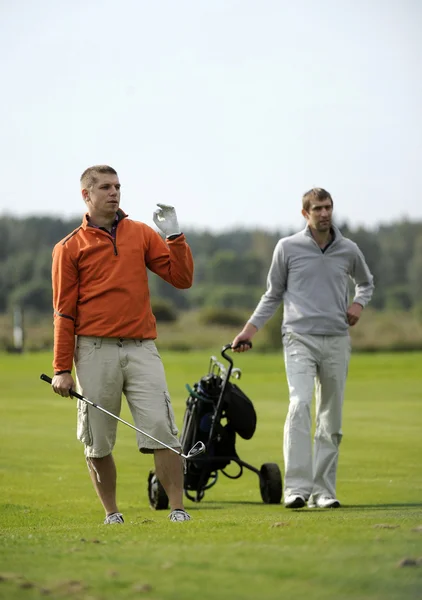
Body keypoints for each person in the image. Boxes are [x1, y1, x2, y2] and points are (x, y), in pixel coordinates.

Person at [50, 165, 194, 524]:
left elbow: (182, 278)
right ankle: (112, 514)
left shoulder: (141, 234)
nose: (114, 193)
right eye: (105, 187)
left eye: (117, 187)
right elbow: (64, 314)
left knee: (162, 428)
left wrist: (174, 236)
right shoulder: (69, 248)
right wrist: (61, 370)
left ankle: (178, 509)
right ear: (87, 195)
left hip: (141, 347)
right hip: (94, 350)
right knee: (97, 439)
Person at [231, 188, 374, 509]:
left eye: (328, 207)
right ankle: (296, 489)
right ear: (305, 213)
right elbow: (273, 294)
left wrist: (358, 304)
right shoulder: (288, 247)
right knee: (300, 404)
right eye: (318, 208)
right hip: (298, 338)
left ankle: (324, 493)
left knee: (330, 417)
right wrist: (248, 331)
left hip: (337, 339)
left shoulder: (349, 249)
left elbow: (366, 282)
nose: (324, 213)